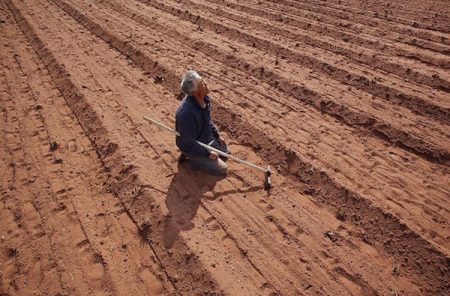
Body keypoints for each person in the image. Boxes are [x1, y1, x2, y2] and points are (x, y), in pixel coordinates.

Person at [175, 70, 230, 176]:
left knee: (225, 152)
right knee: (222, 169)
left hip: (203, 138)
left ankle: (203, 154)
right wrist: (208, 154)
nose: (206, 84)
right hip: (191, 145)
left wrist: (217, 136)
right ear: (195, 92)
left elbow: (207, 120)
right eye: (202, 83)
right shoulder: (186, 114)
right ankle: (193, 160)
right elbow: (188, 142)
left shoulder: (204, 98)